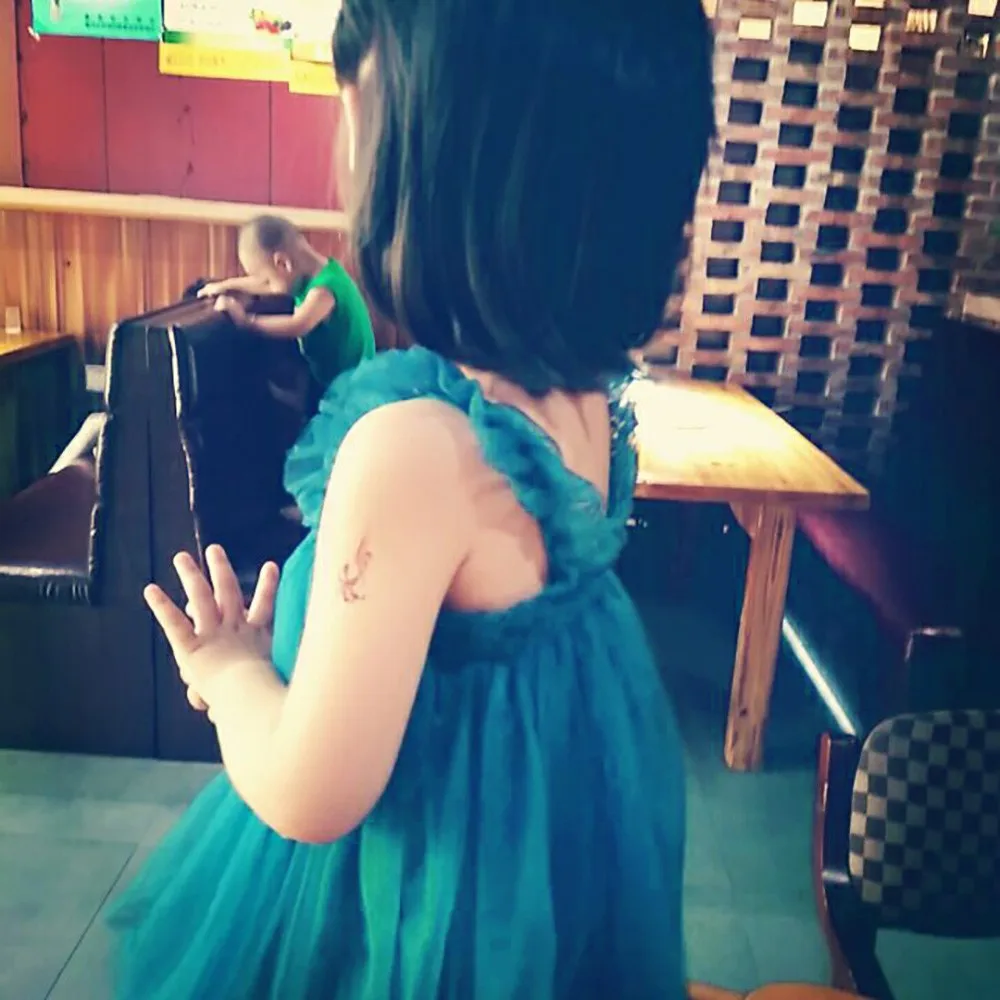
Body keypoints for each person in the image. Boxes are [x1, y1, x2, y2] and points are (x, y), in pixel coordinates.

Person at [108, 1, 714, 997]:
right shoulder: (584, 404)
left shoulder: (416, 451)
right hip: (539, 868)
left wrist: (229, 673)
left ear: (440, 173)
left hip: (423, 903)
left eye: (361, 120)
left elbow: (311, 791)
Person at [200, 214, 376, 392]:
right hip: (330, 375)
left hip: (352, 385)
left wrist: (246, 321)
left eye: (266, 277)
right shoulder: (313, 273)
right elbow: (267, 285)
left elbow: (297, 325)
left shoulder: (324, 290)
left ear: (283, 263)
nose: (265, 284)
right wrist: (225, 285)